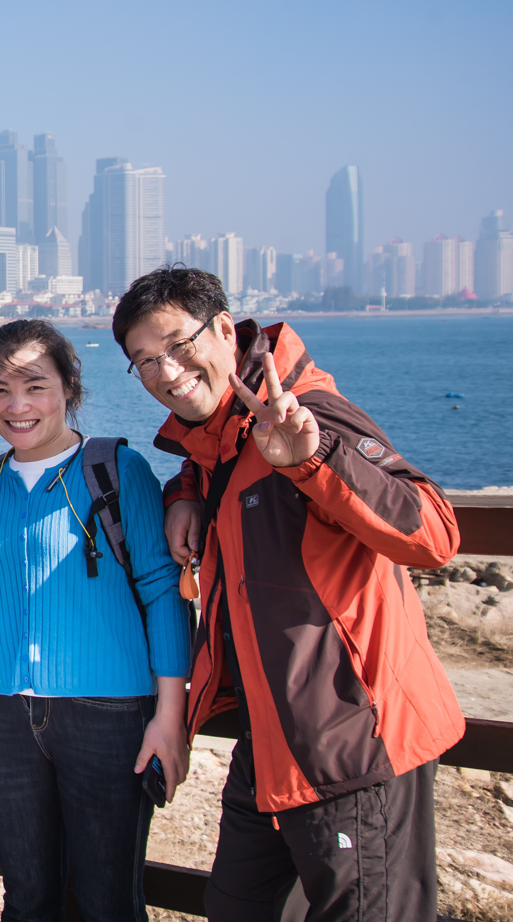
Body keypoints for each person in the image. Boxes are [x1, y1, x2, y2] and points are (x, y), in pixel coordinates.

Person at [113, 266, 464, 921]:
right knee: (235, 906)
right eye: (146, 361)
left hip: (351, 741)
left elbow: (434, 532)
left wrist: (315, 457)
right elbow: (220, 468)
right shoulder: (222, 435)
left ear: (225, 330)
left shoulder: (305, 414)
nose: (167, 371)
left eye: (178, 345)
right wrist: (184, 492)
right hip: (270, 742)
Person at [0, 320, 191, 921]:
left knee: (107, 902)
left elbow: (162, 591)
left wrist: (170, 715)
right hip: (8, 717)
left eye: (35, 386)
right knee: (26, 899)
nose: (16, 406)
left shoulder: (117, 470)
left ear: (69, 387)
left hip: (110, 715)